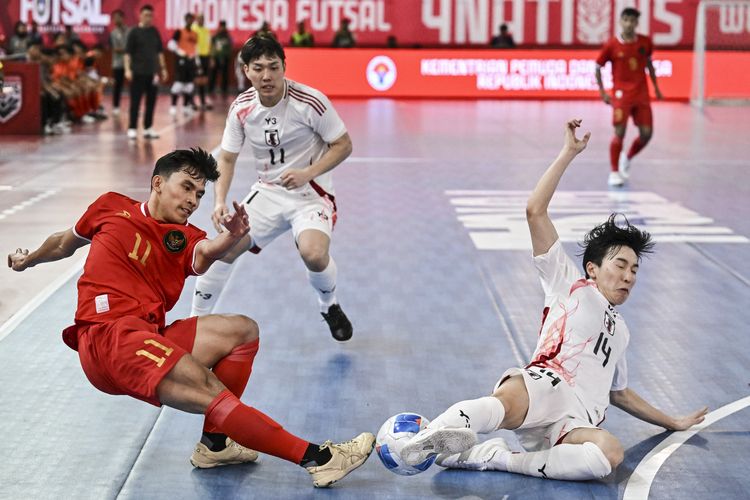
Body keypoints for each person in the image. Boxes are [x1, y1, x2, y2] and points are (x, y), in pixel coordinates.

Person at [7, 148, 375, 487]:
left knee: (242, 331)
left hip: (149, 333)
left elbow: (204, 253)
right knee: (208, 390)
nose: (192, 200)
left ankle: (215, 445)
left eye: (199, 194)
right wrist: (29, 259)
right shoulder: (109, 207)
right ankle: (319, 458)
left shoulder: (184, 237)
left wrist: (229, 238)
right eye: (186, 188)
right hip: (109, 338)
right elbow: (63, 242)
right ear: (157, 183)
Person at [399, 119, 708, 481]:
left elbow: (620, 394)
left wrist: (671, 420)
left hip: (574, 423)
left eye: (635, 271)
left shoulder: (621, 332)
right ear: (592, 268)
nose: (628, 276)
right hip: (545, 384)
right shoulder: (569, 283)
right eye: (621, 265)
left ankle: (495, 457)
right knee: (503, 402)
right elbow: (535, 211)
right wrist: (567, 154)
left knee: (609, 455)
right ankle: (423, 441)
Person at [190, 35, 354, 342]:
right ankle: (193, 323)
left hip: (310, 194)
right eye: (258, 68)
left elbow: (343, 145)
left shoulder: (310, 102)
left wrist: (308, 173)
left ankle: (328, 305)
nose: (267, 75)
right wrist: (219, 201)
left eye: (273, 67)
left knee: (314, 255)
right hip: (267, 193)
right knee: (222, 249)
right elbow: (226, 157)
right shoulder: (241, 108)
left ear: (283, 67)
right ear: (246, 70)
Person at [595, 7, 663, 187]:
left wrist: (656, 87)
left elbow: (649, 64)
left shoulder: (645, 42)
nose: (629, 24)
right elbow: (597, 67)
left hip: (641, 94)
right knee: (619, 132)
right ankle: (614, 172)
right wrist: (603, 92)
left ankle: (628, 156)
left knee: (647, 134)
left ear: (636, 23)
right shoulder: (611, 45)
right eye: (626, 20)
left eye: (632, 21)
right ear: (620, 21)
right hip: (621, 95)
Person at [124, 4, 168, 140]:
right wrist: (127, 69)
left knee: (151, 102)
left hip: (152, 73)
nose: (148, 18)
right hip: (137, 72)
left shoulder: (154, 32)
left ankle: (148, 128)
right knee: (135, 102)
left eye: (150, 15)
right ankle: (132, 128)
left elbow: (159, 52)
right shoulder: (134, 32)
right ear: (140, 15)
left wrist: (164, 68)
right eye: (145, 15)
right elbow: (127, 53)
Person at [167, 12, 199, 117]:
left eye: (192, 20)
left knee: (189, 85)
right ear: (185, 20)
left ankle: (185, 106)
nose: (190, 21)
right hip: (182, 61)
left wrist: (197, 61)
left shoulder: (195, 34)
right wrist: (181, 52)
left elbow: (195, 48)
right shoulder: (179, 31)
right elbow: (171, 44)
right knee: (179, 84)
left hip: (191, 61)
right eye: (188, 19)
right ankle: (173, 106)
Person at [108, 9, 129, 116]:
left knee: (133, 85)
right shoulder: (113, 33)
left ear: (122, 18)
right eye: (114, 18)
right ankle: (116, 107)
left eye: (117, 17)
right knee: (117, 85)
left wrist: (128, 50)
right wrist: (128, 49)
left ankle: (134, 106)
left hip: (130, 63)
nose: (115, 20)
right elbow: (115, 49)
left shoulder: (130, 31)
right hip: (118, 63)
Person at [191, 14, 212, 110]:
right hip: (196, 56)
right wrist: (195, 57)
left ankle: (203, 101)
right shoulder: (193, 29)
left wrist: (210, 57)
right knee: (196, 80)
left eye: (202, 18)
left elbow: (209, 44)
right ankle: (192, 101)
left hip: (205, 56)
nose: (201, 20)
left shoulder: (206, 30)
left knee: (204, 80)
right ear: (196, 19)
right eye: (199, 18)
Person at [208, 21, 233, 97]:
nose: (223, 28)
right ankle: (210, 90)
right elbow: (211, 47)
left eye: (224, 26)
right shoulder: (215, 36)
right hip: (216, 58)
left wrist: (228, 56)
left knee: (225, 75)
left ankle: (224, 90)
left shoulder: (227, 36)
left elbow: (229, 47)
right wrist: (212, 58)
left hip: (225, 58)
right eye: (221, 26)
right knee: (213, 75)